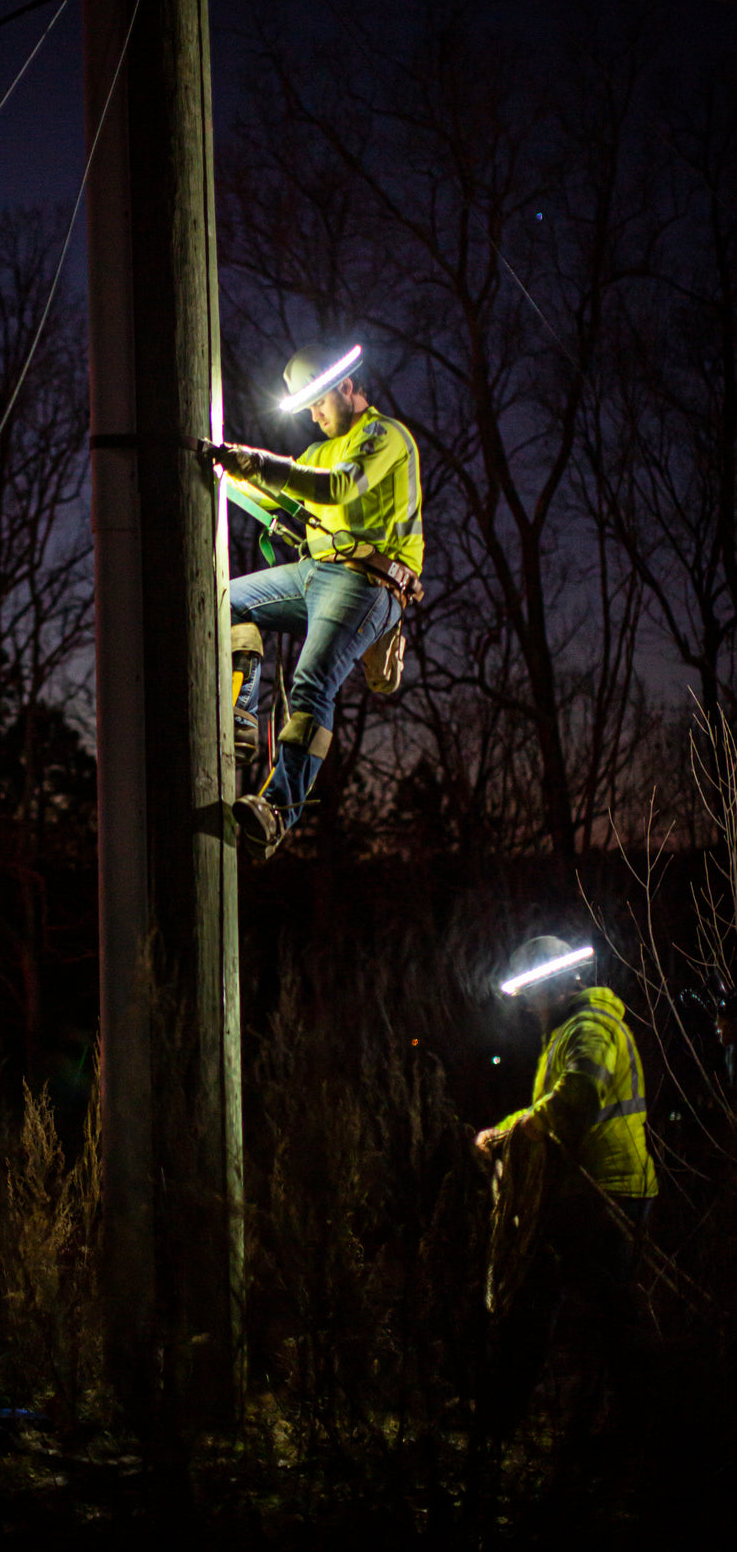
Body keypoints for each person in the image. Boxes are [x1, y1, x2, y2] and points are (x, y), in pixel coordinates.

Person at [212, 340, 423, 860]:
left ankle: (278, 809)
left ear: (347, 387)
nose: (313, 413)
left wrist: (260, 463)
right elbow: (283, 493)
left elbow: (336, 488)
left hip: (367, 582)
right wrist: (224, 468)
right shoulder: (314, 452)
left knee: (312, 681)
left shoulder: (385, 436)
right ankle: (241, 712)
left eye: (319, 402)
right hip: (314, 571)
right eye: (307, 406)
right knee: (223, 603)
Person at [474, 936, 658, 1444]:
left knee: (598, 1316)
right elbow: (551, 1102)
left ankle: (642, 1434)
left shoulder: (590, 1025)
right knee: (574, 1311)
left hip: (604, 1192)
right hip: (586, 1191)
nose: (528, 1006)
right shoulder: (571, 1029)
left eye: (532, 995)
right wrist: (506, 1130)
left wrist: (528, 1126)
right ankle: (507, 1420)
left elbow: (578, 1090)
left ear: (551, 987)